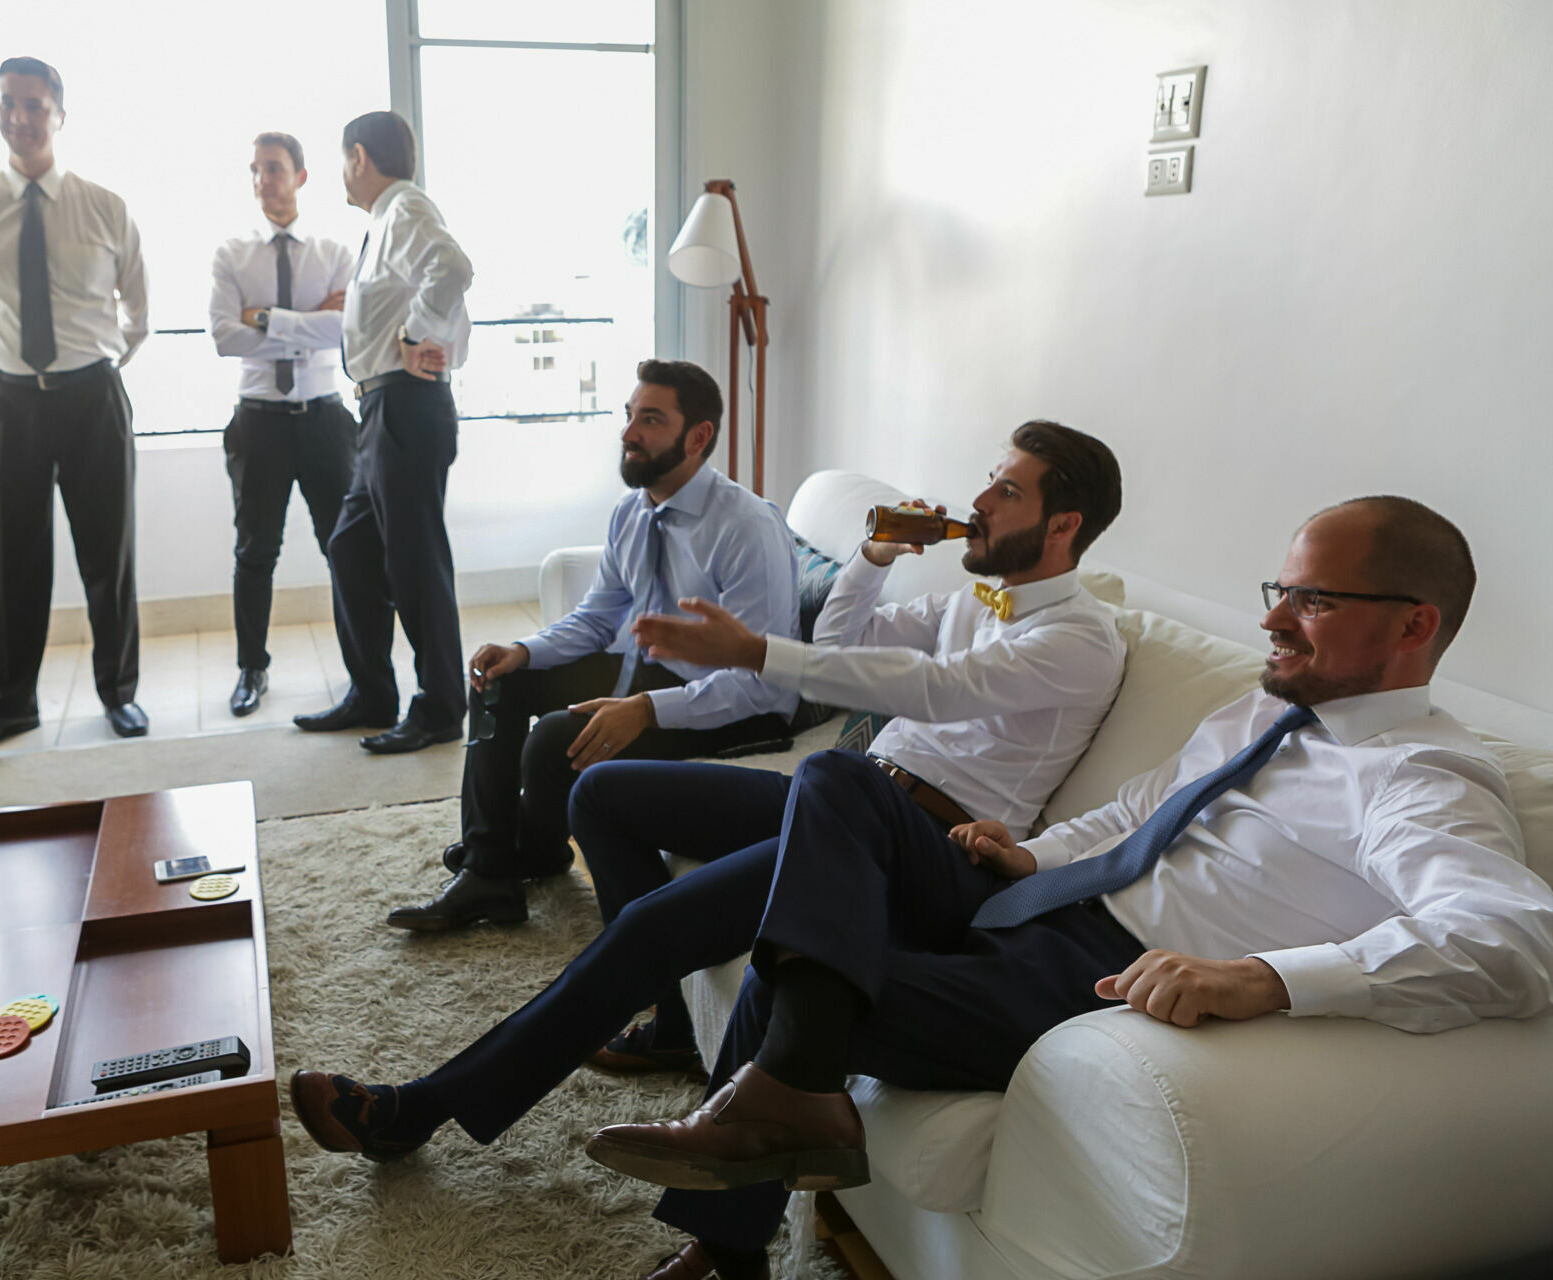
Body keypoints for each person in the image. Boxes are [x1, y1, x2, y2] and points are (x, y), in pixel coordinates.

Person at [290, 496, 1553, 1280]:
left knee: (798, 944)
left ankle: (721, 1184)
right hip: (1034, 892)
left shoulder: (1425, 773)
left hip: (1090, 974)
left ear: (1414, 625)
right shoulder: (1258, 707)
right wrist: (1034, 848)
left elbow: (1513, 937)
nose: (1279, 617)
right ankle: (778, 1112)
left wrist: (1263, 974)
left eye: (1313, 598)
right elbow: (1130, 810)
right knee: (844, 794)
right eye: (1278, 590)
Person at [573, 420, 1127, 1078]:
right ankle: (674, 1027)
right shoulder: (977, 598)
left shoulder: (1081, 638)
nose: (979, 504)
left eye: (1005, 491)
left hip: (915, 836)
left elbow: (936, 691)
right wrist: (875, 554)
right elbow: (838, 646)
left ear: (1063, 525)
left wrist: (756, 652)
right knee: (602, 795)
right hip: (844, 790)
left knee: (661, 922)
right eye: (989, 481)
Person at [385, 360, 804, 934]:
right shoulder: (632, 513)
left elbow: (765, 683)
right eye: (630, 416)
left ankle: (521, 855)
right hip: (654, 674)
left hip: (731, 707)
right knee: (499, 682)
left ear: (698, 436)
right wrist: (523, 650)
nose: (629, 432)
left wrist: (647, 710)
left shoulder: (746, 528)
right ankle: (491, 870)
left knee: (554, 739)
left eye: (651, 420)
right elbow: (596, 617)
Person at [0, 56, 150, 743]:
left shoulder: (104, 205)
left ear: (59, 114)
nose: (20, 117)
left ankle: (119, 692)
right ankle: (14, 701)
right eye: (9, 102)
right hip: (8, 401)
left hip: (92, 396)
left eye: (34, 104)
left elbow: (138, 310)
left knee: (108, 553)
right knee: (11, 560)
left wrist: (89, 364)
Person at [293, 110, 472, 754]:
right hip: (379, 411)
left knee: (414, 561)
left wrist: (416, 336)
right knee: (350, 546)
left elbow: (451, 268)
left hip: (405, 409)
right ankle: (373, 692)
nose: (343, 174)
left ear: (359, 158)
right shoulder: (383, 221)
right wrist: (418, 334)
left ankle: (442, 707)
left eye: (343, 161)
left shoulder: (404, 209)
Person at [208, 131, 358, 717]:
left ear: (300, 175)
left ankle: (360, 668)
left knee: (342, 547)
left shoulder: (335, 252)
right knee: (255, 550)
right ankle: (252, 668)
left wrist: (266, 318)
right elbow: (224, 337)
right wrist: (308, 320)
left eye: (273, 168)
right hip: (259, 422)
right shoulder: (232, 255)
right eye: (254, 170)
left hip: (324, 418)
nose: (262, 180)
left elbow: (343, 329)